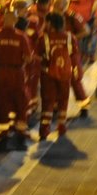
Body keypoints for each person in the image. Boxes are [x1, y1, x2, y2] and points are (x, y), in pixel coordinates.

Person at [0, 8, 33, 149]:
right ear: (16, 21)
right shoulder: (21, 36)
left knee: (2, 104)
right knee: (20, 104)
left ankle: (2, 137)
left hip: (1, 73)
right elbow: (28, 58)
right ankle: (21, 137)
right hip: (16, 73)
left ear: (3, 20)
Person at [37, 12, 76, 140]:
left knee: (48, 102)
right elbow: (75, 56)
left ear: (50, 24)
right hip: (65, 74)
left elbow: (38, 56)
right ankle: (61, 126)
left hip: (48, 74)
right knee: (63, 100)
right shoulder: (70, 37)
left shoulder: (44, 38)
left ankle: (44, 129)